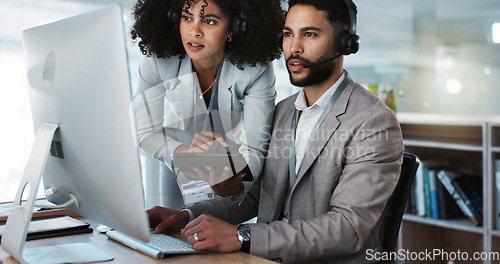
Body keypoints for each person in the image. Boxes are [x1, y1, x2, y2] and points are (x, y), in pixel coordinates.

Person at [147, 0, 404, 263]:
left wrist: (241, 237)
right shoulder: (283, 111)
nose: (294, 48)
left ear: (344, 44)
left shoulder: (373, 121)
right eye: (288, 34)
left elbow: (348, 228)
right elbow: (256, 196)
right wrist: (187, 217)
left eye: (310, 34)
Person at [129, 0, 283, 208]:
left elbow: (254, 148)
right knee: (168, 232)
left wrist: (234, 186)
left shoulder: (256, 70)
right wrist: (183, 154)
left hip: (228, 171)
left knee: (217, 234)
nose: (194, 31)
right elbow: (144, 132)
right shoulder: (158, 60)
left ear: (234, 27)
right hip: (176, 166)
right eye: (186, 18)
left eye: (209, 21)